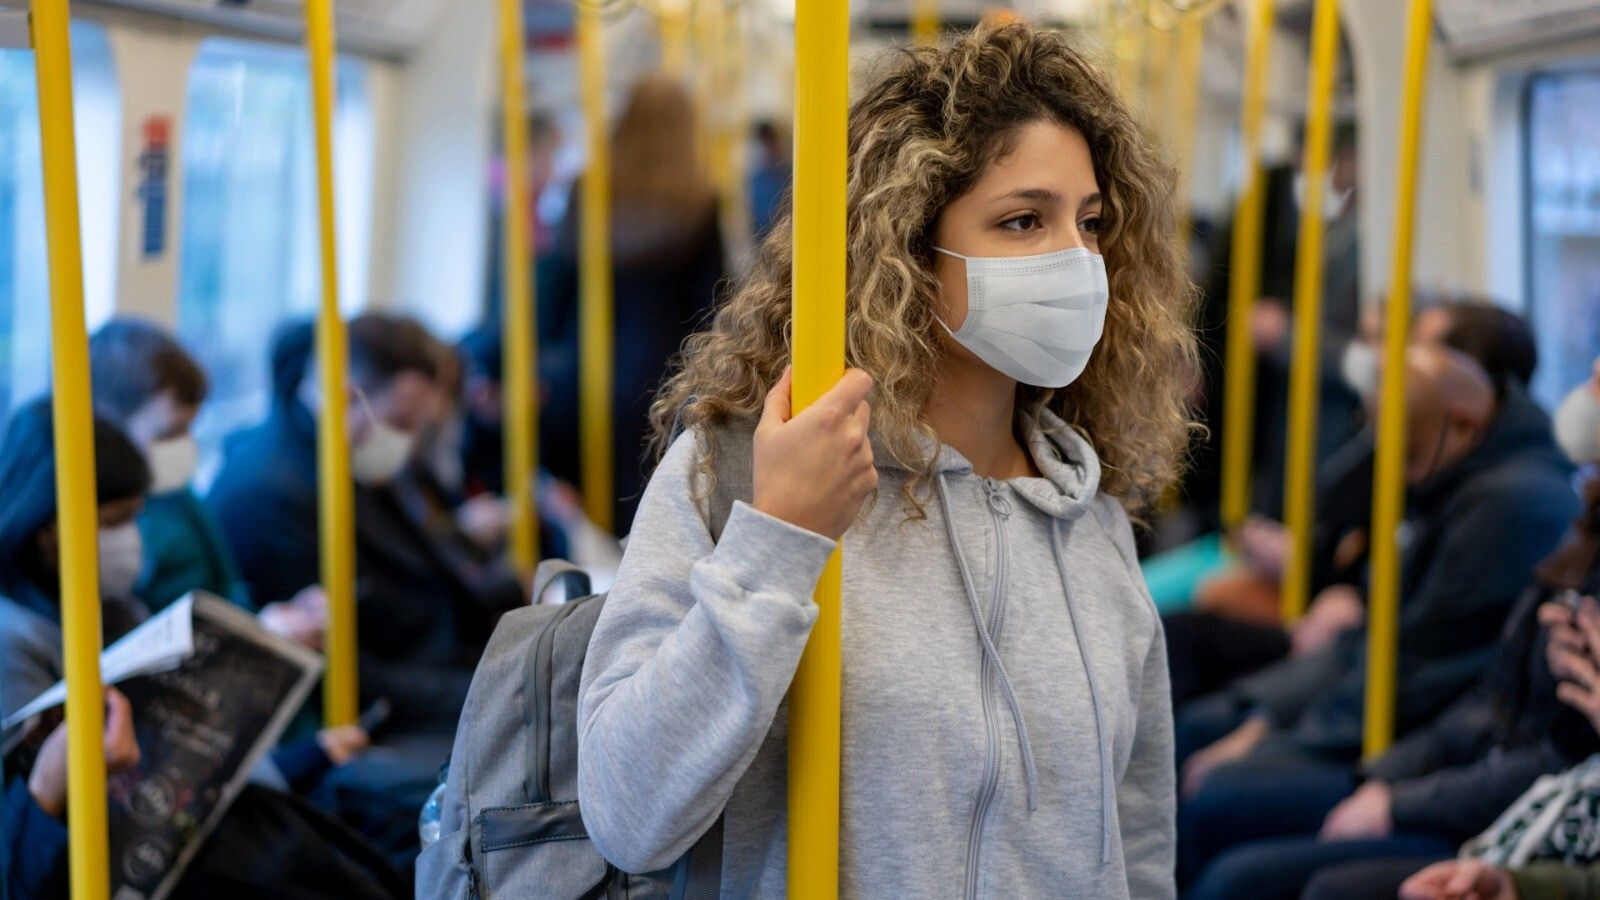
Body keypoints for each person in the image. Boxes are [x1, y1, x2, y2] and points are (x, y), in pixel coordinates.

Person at [578, 23, 1194, 896]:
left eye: (1090, 223)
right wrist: (777, 544)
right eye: (1023, 220)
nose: (1076, 260)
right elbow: (626, 814)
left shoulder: (1088, 522)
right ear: (908, 249)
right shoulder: (740, 477)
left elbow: (1135, 846)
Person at [1177, 345, 1578, 895]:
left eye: (1409, 458)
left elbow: (1420, 668)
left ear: (1461, 425)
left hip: (1449, 770)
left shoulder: (1513, 506)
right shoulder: (1472, 478)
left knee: (1224, 828)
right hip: (1435, 750)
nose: (1404, 476)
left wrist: (1386, 788)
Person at [0, 402, 391, 899]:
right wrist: (52, 788)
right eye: (114, 521)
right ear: (48, 529)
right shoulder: (15, 645)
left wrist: (300, 755)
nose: (130, 541)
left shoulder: (117, 607)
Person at [1164, 299, 1542, 705]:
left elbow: (1409, 635)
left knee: (1192, 628)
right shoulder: (1390, 442)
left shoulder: (1487, 494)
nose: (1393, 363)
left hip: (1354, 650)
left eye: (1416, 349)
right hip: (1344, 631)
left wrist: (1336, 587)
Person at [208, 313, 523, 735]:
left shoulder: (347, 455)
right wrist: (496, 693)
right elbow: (343, 675)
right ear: (344, 398)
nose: (406, 443)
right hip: (385, 716)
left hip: (440, 662)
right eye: (399, 425)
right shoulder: (269, 498)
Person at [542, 73, 727, 533]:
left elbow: (555, 292)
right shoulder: (700, 201)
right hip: (664, 378)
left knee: (585, 519)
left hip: (585, 373)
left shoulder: (587, 190)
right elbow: (710, 306)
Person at [88, 317, 326, 647]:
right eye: (168, 434)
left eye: (188, 431)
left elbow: (222, 591)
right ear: (107, 428)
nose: (184, 446)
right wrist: (260, 632)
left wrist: (271, 620)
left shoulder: (178, 495)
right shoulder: (116, 530)